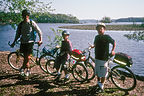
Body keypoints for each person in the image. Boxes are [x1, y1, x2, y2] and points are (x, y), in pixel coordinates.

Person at [10, 9, 42, 76]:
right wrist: (14, 42)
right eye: (24, 15)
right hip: (23, 42)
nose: (25, 16)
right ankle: (26, 69)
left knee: (27, 57)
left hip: (30, 42)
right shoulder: (21, 24)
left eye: (27, 15)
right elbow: (18, 34)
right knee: (26, 57)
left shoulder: (31, 23)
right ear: (22, 16)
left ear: (28, 16)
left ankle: (24, 69)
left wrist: (40, 40)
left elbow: (39, 31)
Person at [91, 22, 116, 92]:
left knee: (104, 73)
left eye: (101, 29)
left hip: (104, 58)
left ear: (104, 29)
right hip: (97, 57)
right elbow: (95, 44)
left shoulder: (107, 37)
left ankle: (101, 85)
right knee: (98, 71)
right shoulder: (96, 37)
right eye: (98, 29)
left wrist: (113, 50)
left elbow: (114, 42)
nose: (99, 30)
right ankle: (99, 83)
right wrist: (92, 46)